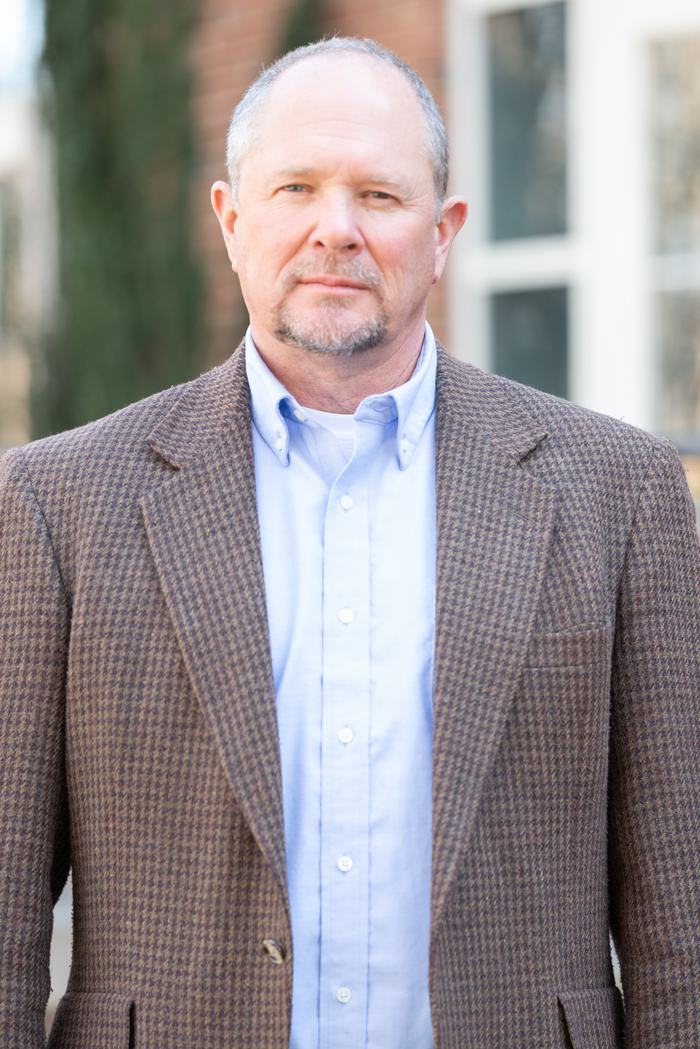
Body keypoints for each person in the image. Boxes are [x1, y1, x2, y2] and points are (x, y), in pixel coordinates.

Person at [1, 35, 698, 1049]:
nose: (336, 228)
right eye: (295, 188)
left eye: (379, 194)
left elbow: (682, 926)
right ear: (230, 219)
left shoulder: (619, 493)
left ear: (443, 232)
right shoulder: (57, 503)